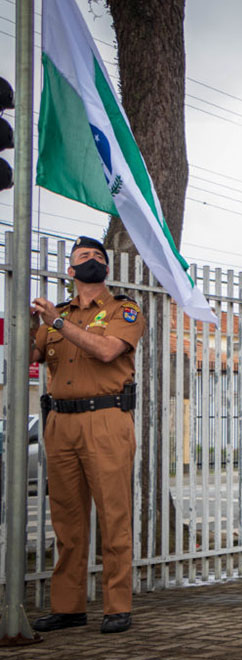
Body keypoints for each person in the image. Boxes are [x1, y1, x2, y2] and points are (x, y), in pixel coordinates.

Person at [28, 237, 145, 635]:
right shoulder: (55, 316)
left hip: (107, 418)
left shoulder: (122, 309)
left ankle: (117, 605)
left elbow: (109, 350)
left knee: (114, 516)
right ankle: (68, 607)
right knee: (67, 519)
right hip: (60, 422)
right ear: (70, 271)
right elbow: (30, 354)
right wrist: (32, 319)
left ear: (107, 270)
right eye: (83, 257)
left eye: (98, 256)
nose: (92, 260)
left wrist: (56, 324)